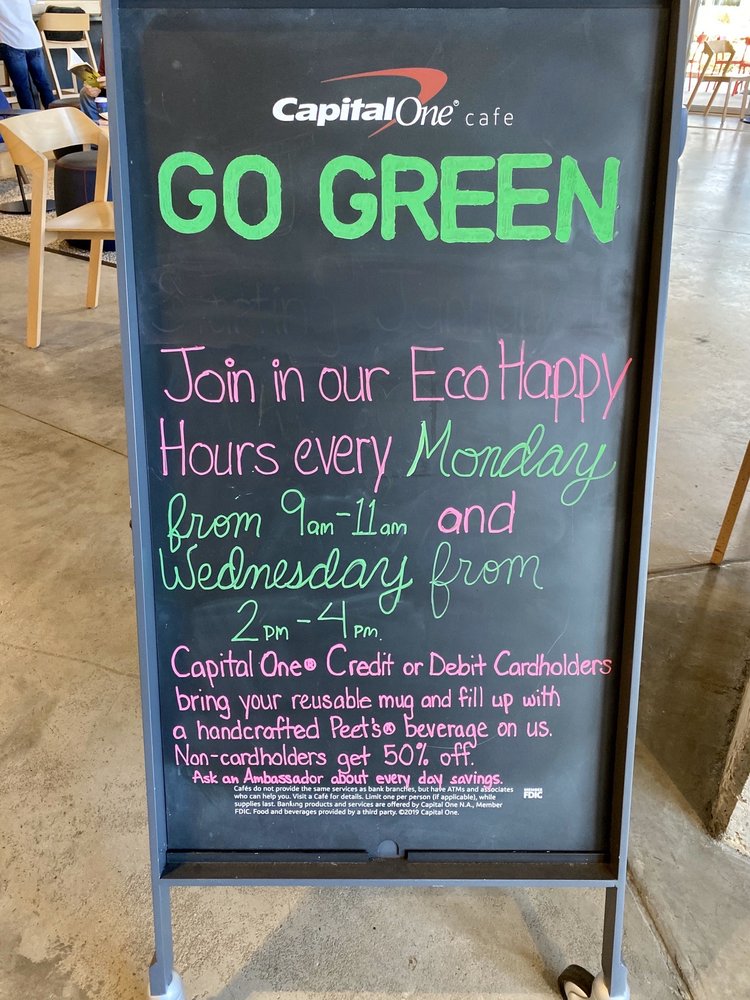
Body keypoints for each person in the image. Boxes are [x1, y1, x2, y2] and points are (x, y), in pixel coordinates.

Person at [0, 0, 55, 110]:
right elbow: (34, 4)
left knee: (22, 87)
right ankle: (55, 113)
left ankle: (30, 116)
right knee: (43, 83)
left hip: (12, 42)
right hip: (33, 40)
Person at [78, 40, 105, 121]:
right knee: (85, 93)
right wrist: (96, 84)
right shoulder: (107, 39)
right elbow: (102, 72)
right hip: (109, 87)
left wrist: (112, 82)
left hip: (127, 87)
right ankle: (95, 127)